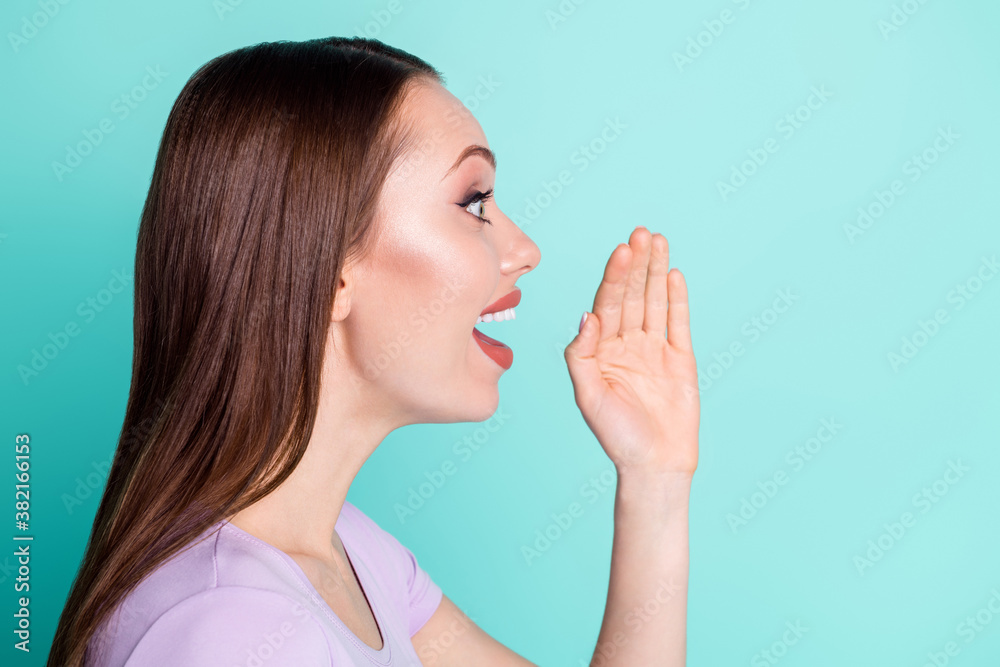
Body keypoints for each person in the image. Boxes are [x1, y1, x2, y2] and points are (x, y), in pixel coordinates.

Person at [47, 36, 699, 666]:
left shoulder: (353, 556)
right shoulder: (239, 627)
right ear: (330, 271)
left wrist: (657, 479)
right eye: (474, 203)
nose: (524, 250)